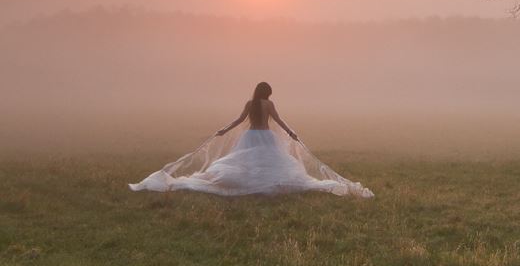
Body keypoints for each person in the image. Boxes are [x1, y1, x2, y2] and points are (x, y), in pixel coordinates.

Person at [129, 82, 374, 198]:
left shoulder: (251, 103)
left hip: (250, 136)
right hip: (266, 137)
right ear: (267, 93)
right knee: (267, 163)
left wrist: (224, 130)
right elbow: (278, 121)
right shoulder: (268, 104)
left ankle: (249, 185)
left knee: (247, 163)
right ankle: (262, 187)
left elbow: (239, 120)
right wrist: (291, 133)